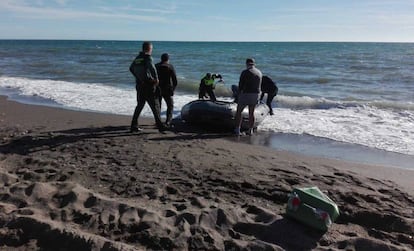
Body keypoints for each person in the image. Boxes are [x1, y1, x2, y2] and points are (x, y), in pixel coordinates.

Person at [129, 41, 166, 133]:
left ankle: (133, 125)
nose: (151, 50)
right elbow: (152, 68)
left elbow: (131, 68)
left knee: (140, 105)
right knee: (155, 106)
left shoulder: (137, 58)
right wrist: (156, 79)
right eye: (151, 48)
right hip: (148, 85)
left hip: (140, 85)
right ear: (149, 48)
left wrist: (138, 78)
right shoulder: (147, 57)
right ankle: (160, 127)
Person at [234, 58, 262, 136]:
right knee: (251, 113)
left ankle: (237, 130)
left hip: (246, 94)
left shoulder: (245, 72)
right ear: (254, 64)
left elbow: (241, 85)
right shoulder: (259, 72)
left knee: (239, 112)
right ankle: (250, 130)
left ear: (246, 64)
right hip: (255, 94)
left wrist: (238, 95)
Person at [155, 53, 178, 127]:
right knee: (170, 105)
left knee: (158, 105)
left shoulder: (156, 66)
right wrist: (173, 89)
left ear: (161, 59)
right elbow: (175, 81)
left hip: (157, 88)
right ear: (168, 59)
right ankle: (168, 121)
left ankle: (158, 122)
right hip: (167, 89)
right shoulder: (170, 66)